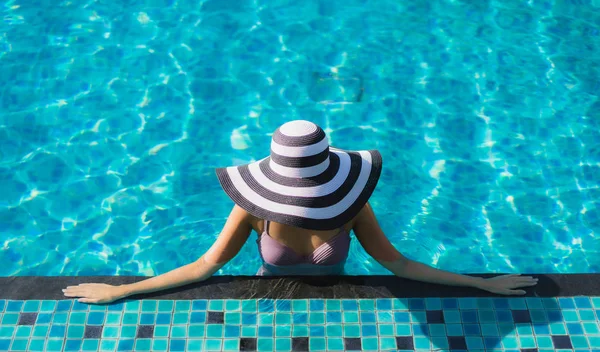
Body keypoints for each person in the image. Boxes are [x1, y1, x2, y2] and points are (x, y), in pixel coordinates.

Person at [63, 120, 537, 304]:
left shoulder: (353, 207)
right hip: (269, 297)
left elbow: (398, 264)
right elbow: (205, 265)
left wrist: (480, 284)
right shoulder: (252, 212)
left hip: (339, 300)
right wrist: (122, 291)